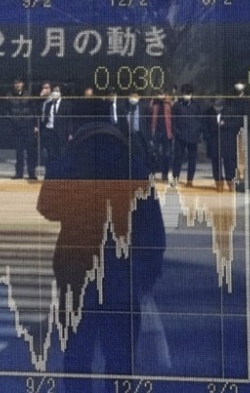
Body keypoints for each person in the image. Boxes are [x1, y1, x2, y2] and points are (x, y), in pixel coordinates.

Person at [37, 124, 166, 390]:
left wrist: (64, 159)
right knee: (121, 360)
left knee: (77, 357)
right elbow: (153, 231)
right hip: (123, 277)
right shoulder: (133, 166)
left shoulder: (73, 162)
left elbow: (46, 206)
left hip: (77, 274)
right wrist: (145, 278)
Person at [205, 99, 243, 190]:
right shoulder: (208, 112)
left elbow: (236, 124)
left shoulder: (230, 112)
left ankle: (230, 182)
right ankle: (219, 183)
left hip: (227, 140)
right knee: (216, 163)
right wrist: (208, 137)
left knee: (229, 162)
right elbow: (205, 126)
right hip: (214, 140)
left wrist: (224, 125)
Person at [39, 85, 73, 179]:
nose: (55, 93)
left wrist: (70, 133)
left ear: (60, 93)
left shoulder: (66, 104)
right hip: (49, 131)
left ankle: (61, 175)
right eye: (54, 91)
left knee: (61, 154)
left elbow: (69, 120)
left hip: (61, 133)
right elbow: (42, 117)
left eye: (57, 91)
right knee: (50, 155)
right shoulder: (48, 104)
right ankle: (50, 175)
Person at [172, 84, 203, 186]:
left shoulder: (196, 105)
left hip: (193, 136)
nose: (186, 95)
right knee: (178, 158)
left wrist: (198, 133)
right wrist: (176, 132)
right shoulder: (177, 105)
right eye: (185, 93)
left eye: (188, 93)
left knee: (192, 160)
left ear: (191, 94)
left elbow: (200, 120)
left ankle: (190, 180)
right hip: (180, 136)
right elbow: (173, 120)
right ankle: (175, 179)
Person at [6, 79, 37, 180]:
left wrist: (34, 124)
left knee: (30, 150)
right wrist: (13, 120)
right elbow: (7, 111)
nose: (17, 85)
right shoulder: (9, 95)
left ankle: (31, 173)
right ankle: (19, 173)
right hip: (16, 126)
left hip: (28, 125)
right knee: (19, 151)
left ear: (23, 84)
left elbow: (34, 110)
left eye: (19, 83)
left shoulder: (29, 94)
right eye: (15, 83)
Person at [149, 92, 174, 181]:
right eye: (159, 93)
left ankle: (165, 174)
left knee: (167, 154)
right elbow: (150, 112)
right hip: (156, 131)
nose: (161, 95)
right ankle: (152, 173)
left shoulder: (168, 102)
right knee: (153, 153)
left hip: (167, 131)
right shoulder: (154, 102)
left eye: (162, 93)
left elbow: (173, 114)